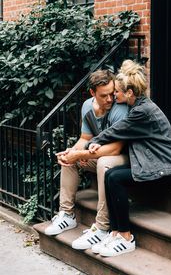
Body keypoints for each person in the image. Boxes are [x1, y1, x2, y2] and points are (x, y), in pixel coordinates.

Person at [84, 59, 171, 257]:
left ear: (129, 93)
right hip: (153, 162)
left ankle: (126, 237)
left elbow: (118, 129)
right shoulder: (139, 106)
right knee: (111, 175)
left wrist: (90, 143)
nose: (114, 95)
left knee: (115, 178)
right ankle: (116, 232)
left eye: (117, 91)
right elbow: (117, 130)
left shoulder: (142, 111)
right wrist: (96, 141)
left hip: (167, 168)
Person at [44, 69, 129, 252]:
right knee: (70, 158)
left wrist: (81, 154)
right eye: (103, 95)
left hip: (126, 158)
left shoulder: (120, 109)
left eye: (111, 93)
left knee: (104, 162)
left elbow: (116, 148)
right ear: (92, 93)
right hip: (100, 152)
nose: (109, 99)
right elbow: (85, 138)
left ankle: (102, 227)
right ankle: (67, 215)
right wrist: (72, 152)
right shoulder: (87, 106)